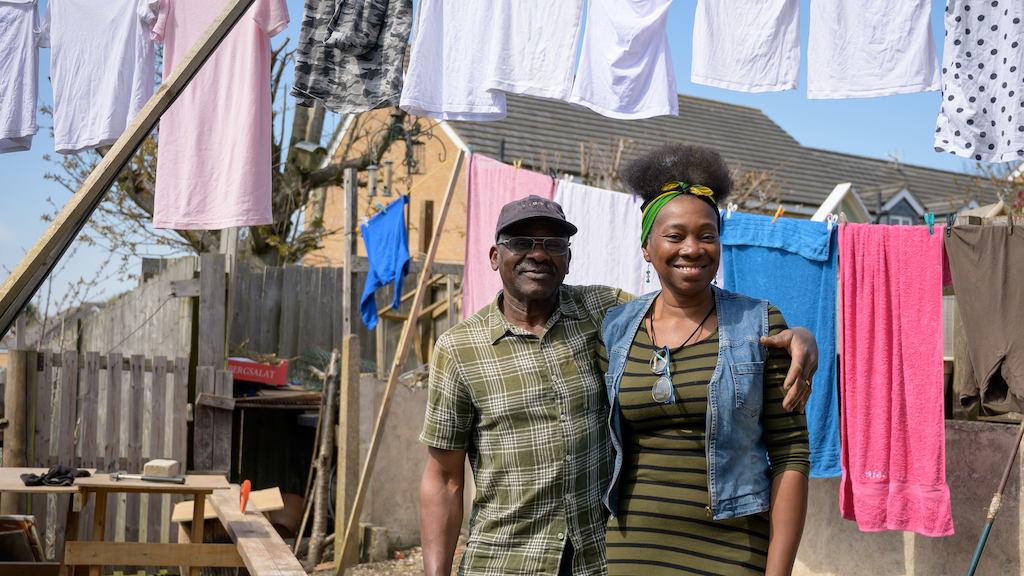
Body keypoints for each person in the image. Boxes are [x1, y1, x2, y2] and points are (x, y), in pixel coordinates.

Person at [420, 193, 816, 576]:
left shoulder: (606, 314)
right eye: (521, 242)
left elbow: (682, 301)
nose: (538, 254)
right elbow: (443, 479)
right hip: (506, 561)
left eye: (554, 243)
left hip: (598, 558)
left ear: (569, 258)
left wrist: (801, 335)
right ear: (494, 256)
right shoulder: (459, 349)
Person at [600, 144, 809, 576]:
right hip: (632, 551)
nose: (692, 249)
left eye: (707, 235)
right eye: (675, 236)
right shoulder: (617, 327)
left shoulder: (760, 323)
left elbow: (791, 454)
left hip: (733, 550)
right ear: (646, 247)